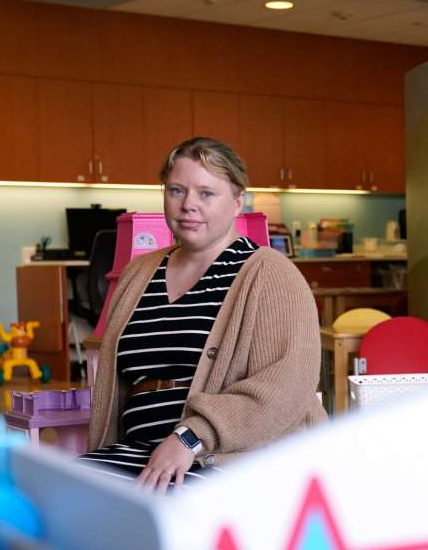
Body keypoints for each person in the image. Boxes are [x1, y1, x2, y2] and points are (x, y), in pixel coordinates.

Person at [79, 137, 326, 491]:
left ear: (238, 201)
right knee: (58, 498)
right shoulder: (138, 273)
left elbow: (286, 386)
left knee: (154, 517)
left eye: (206, 194)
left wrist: (189, 438)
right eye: (176, 190)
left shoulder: (270, 273)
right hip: (142, 453)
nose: (188, 205)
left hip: (231, 456)